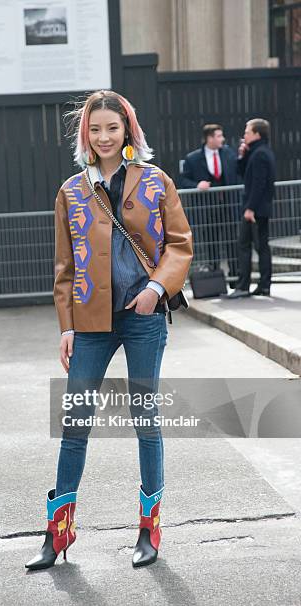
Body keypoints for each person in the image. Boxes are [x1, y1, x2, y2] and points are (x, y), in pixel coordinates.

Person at [25, 90, 193, 571]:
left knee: (145, 420)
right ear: (86, 135)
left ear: (127, 132)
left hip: (143, 316)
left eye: (112, 128)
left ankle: (149, 529)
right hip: (91, 322)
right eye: (94, 129)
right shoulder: (71, 192)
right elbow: (64, 267)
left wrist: (157, 289)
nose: (103, 137)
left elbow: (180, 246)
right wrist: (66, 327)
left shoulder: (156, 183)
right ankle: (58, 535)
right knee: (75, 423)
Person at [179, 124, 240, 282]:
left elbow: (239, 171)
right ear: (209, 138)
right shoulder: (192, 158)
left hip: (227, 205)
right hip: (207, 208)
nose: (222, 139)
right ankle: (216, 278)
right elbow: (183, 180)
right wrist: (197, 185)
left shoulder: (229, 153)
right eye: (219, 136)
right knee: (211, 242)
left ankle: (234, 277)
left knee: (231, 240)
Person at [228, 118, 275, 298]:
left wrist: (250, 209)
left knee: (249, 245)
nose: (244, 135)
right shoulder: (257, 152)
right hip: (257, 208)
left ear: (256, 134)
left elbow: (258, 184)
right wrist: (242, 155)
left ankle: (247, 285)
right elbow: (242, 172)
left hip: (255, 209)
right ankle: (257, 285)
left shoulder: (261, 154)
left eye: (247, 132)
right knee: (255, 245)